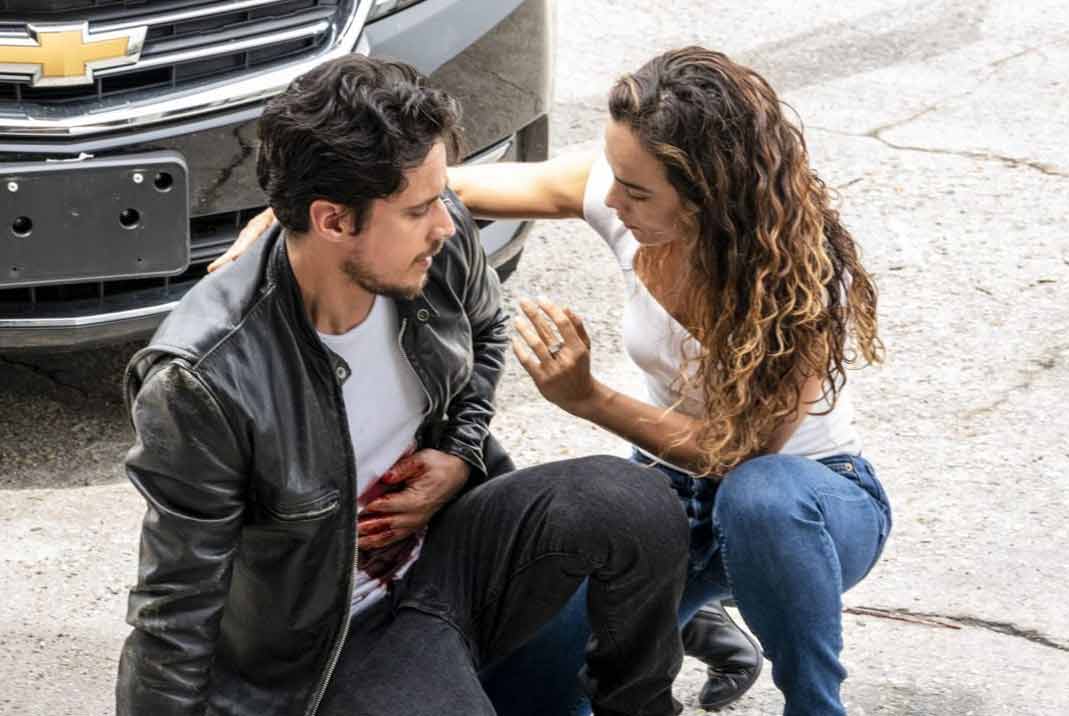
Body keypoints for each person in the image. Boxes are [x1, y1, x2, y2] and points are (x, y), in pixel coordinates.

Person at [218, 47, 893, 716]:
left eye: (635, 191)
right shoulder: (626, 201)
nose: (612, 199)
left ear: (705, 194)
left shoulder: (798, 278)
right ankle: (687, 616)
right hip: (679, 500)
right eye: (613, 176)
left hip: (808, 507)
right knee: (524, 685)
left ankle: (814, 703)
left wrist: (588, 398)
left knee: (758, 498)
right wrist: (299, 211)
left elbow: (739, 453)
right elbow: (444, 192)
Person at [116, 54, 691, 716]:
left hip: (451, 553)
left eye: (439, 198)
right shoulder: (204, 380)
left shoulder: (432, 244)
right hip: (341, 636)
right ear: (334, 221)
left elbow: (485, 331)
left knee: (638, 503)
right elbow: (175, 607)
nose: (446, 223)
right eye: (418, 210)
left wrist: (458, 453)